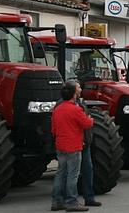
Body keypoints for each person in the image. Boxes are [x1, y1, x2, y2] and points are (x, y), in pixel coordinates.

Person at [51, 81, 94, 212]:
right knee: (72, 175)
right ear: (73, 94)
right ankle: (72, 202)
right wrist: (91, 119)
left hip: (60, 145)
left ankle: (57, 201)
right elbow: (87, 123)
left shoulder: (57, 109)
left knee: (60, 174)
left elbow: (53, 129)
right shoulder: (75, 109)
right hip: (74, 146)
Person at [74, 82, 102, 208]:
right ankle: (68, 199)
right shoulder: (68, 105)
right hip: (75, 143)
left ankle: (89, 197)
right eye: (78, 87)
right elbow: (85, 121)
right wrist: (89, 120)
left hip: (85, 143)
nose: (81, 88)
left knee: (88, 170)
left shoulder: (81, 103)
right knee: (71, 173)